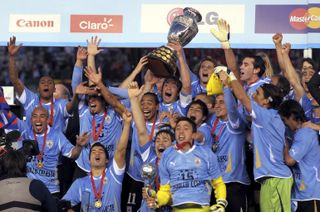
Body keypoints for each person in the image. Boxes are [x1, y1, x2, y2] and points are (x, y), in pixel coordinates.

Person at [218, 69, 293, 211]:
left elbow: (241, 96)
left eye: (257, 93)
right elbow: (233, 111)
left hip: (277, 178)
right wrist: (227, 87)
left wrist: (230, 75)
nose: (252, 94)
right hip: (268, 178)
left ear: (266, 101)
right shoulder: (269, 116)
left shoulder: (266, 115)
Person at [152, 117, 227, 211]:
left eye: (186, 128)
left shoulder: (206, 153)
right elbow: (164, 191)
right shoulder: (167, 155)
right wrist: (156, 200)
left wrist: (221, 203)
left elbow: (218, 183)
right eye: (178, 128)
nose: (181, 131)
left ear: (194, 134)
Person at [62, 111, 132, 211]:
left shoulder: (114, 175)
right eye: (93, 151)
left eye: (101, 151)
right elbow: (63, 205)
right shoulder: (80, 183)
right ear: (89, 160)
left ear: (107, 160)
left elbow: (120, 151)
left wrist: (127, 124)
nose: (97, 153)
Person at [7, 36, 78, 133]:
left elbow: (73, 104)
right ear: (38, 89)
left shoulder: (61, 104)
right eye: (42, 83)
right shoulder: (30, 99)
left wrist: (77, 94)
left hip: (55, 147)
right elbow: (15, 80)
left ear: (54, 90)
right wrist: (12, 57)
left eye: (49, 83)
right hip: (31, 146)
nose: (46, 84)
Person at [17, 106, 89, 196]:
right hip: (29, 188)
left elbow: (73, 154)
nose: (38, 119)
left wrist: (78, 146)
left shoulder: (57, 135)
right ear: (31, 120)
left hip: (51, 190)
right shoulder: (25, 133)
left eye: (42, 116)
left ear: (47, 120)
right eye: (35, 116)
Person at [128, 81, 174, 211]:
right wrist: (133, 99)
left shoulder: (178, 161)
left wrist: (159, 198)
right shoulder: (150, 157)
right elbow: (141, 130)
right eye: (158, 140)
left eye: (165, 140)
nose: (160, 143)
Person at [211, 69, 251, 211]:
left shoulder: (237, 123)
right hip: (216, 184)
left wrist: (227, 87)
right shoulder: (213, 123)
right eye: (216, 102)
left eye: (222, 102)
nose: (217, 105)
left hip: (235, 183)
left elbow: (233, 111)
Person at [279, 100, 320, 212]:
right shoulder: (299, 133)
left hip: (311, 195)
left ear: (292, 116)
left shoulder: (305, 134)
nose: (284, 124)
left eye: (284, 120)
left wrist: (283, 142)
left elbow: (289, 160)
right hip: (302, 194)